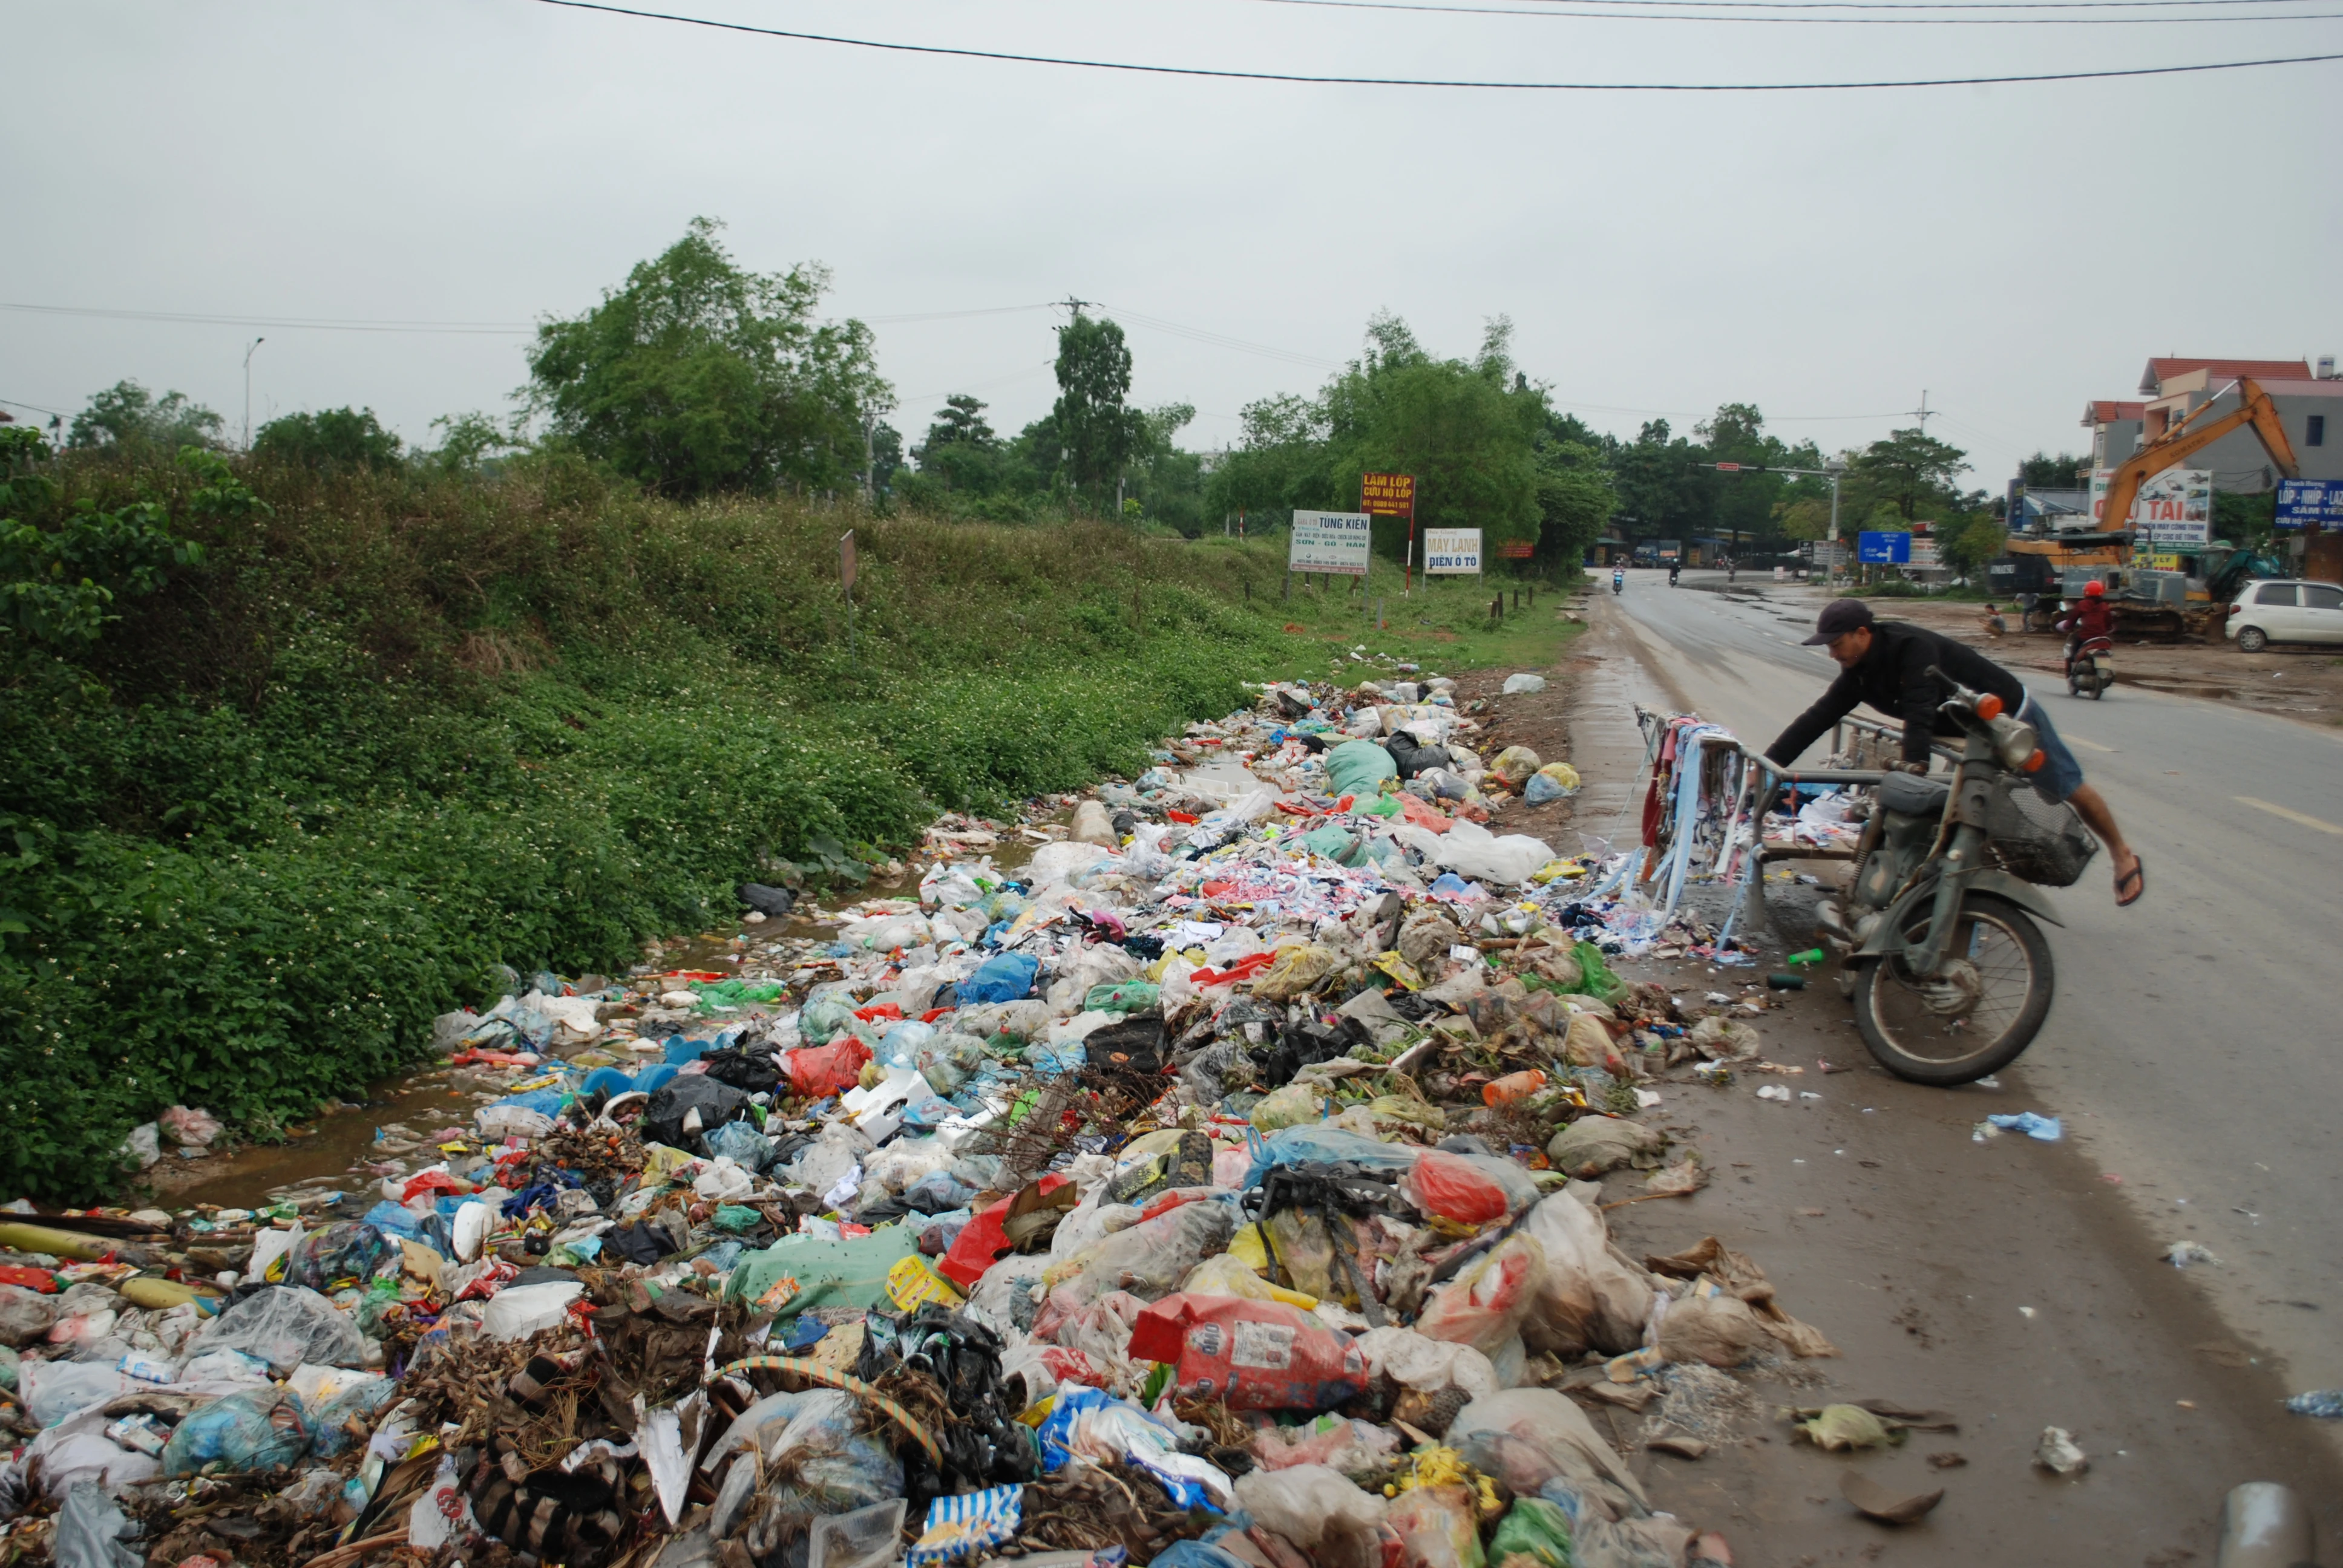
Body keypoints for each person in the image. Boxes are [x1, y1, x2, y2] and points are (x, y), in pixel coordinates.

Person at [1766, 598, 2143, 906]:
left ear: (1862, 634)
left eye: (1836, 645)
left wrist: (1914, 769)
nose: (1832, 654)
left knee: (2066, 787)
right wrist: (1768, 766)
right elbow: (1818, 717)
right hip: (1965, 735)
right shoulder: (1859, 671)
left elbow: (1919, 711)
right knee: (1970, 812)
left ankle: (2122, 854)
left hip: (2010, 721)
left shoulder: (1912, 648)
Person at [2055, 580, 2113, 673]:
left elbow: (2071, 622)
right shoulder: (2105, 606)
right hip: (2103, 640)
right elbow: (2109, 625)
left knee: (2071, 653)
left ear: (2086, 592)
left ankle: (2070, 672)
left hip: (2086, 639)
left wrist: (2066, 627)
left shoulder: (2082, 604)